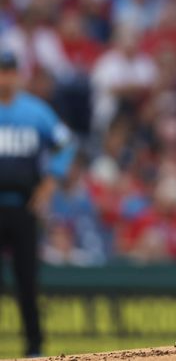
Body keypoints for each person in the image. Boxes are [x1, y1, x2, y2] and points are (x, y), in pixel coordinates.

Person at [0, 50, 76, 357]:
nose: (5, 77)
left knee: (27, 280)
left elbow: (66, 143)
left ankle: (35, 347)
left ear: (18, 75)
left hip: (23, 206)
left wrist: (50, 182)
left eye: (9, 71)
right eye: (1, 71)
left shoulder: (35, 112)